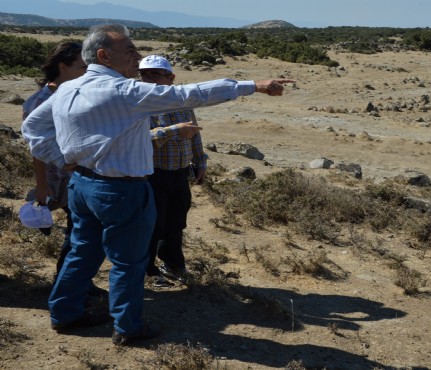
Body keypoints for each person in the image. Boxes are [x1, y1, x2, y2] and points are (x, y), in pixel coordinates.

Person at [21, 23, 294, 346]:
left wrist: (61, 157)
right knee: (129, 261)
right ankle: (128, 327)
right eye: (130, 50)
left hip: (82, 185)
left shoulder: (68, 89)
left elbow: (32, 127)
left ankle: (64, 313)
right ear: (104, 55)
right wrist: (255, 85)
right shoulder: (124, 92)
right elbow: (190, 94)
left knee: (82, 252)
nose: (137, 56)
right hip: (121, 190)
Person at [21, 41, 107, 298]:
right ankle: (69, 284)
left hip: (81, 176)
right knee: (80, 233)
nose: (87, 71)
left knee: (81, 231)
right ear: (63, 66)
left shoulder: (78, 93)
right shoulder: (40, 101)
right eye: (82, 66)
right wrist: (42, 186)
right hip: (59, 178)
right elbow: (36, 148)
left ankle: (71, 281)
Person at [138, 55, 206, 287]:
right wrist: (172, 131)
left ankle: (173, 263)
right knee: (152, 223)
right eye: (144, 74)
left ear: (170, 78)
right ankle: (147, 269)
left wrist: (200, 162)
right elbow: (136, 140)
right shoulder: (139, 104)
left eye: (155, 74)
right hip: (152, 173)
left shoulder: (183, 103)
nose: (148, 79)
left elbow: (194, 133)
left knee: (177, 221)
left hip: (179, 172)